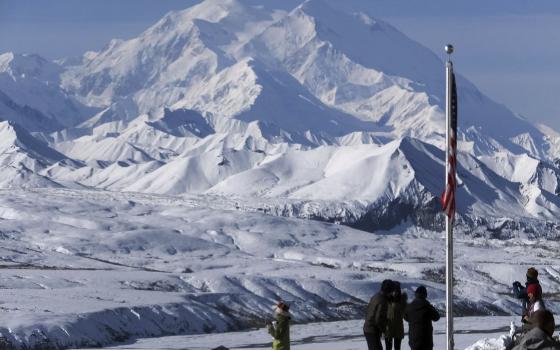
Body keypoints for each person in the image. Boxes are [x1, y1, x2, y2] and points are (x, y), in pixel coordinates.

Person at [404, 285, 440, 350]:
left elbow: (406, 318)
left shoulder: (409, 307)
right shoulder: (427, 306)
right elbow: (436, 317)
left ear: (415, 294)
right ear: (425, 295)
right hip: (426, 340)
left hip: (413, 339)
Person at [363, 279, 392, 350]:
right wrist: (384, 330)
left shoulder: (376, 296)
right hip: (372, 329)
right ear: (389, 290)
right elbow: (378, 319)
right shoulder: (383, 301)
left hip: (368, 327)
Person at [385, 281, 407, 350]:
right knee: (388, 348)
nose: (395, 293)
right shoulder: (386, 299)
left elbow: (405, 313)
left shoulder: (402, 300)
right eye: (393, 291)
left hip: (398, 328)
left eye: (396, 291)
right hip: (388, 328)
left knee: (397, 348)